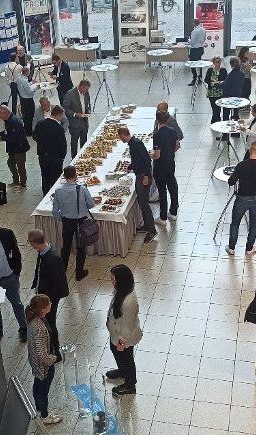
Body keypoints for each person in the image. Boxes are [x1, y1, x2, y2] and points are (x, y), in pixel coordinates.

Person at [28, 229, 69, 362]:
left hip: (49, 299)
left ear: (34, 242)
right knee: (47, 323)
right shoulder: (44, 251)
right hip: (43, 295)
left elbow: (59, 283)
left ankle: (55, 352)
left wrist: (46, 303)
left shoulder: (53, 258)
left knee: (50, 324)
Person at [226, 142, 256, 256]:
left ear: (249, 151)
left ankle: (231, 248)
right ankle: (249, 248)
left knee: (235, 223)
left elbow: (231, 181)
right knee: (253, 224)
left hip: (242, 198)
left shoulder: (241, 165)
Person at [25, 294, 63, 425]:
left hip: (35, 362)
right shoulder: (40, 328)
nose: (51, 304)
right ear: (42, 309)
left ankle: (39, 408)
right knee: (43, 390)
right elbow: (42, 355)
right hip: (43, 366)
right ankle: (45, 415)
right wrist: (53, 358)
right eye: (49, 304)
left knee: (37, 385)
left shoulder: (32, 319)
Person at [105, 264, 142, 396]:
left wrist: (122, 343)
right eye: (111, 279)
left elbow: (127, 325)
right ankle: (122, 371)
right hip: (116, 333)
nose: (112, 282)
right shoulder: (121, 290)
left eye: (114, 280)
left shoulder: (129, 301)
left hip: (124, 337)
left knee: (126, 358)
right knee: (115, 351)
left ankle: (130, 383)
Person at [52, 166, 94, 281]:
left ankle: (62, 272)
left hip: (67, 221)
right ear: (76, 175)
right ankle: (79, 273)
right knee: (81, 247)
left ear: (64, 176)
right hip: (80, 222)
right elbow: (91, 205)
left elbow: (55, 211)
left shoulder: (58, 191)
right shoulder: (82, 189)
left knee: (65, 247)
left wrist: (63, 218)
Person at [118, 127, 157, 243]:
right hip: (140, 174)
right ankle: (147, 225)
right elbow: (138, 160)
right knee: (141, 201)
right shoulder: (133, 143)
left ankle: (152, 231)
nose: (120, 139)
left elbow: (146, 160)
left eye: (120, 137)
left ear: (123, 135)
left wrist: (145, 176)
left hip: (143, 176)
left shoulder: (135, 144)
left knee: (144, 203)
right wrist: (131, 166)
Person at [0, 105, 31, 191]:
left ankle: (23, 184)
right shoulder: (7, 120)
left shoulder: (14, 122)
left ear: (6, 113)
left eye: (0, 115)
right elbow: (6, 132)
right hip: (12, 148)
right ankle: (16, 181)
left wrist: (1, 138)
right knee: (11, 163)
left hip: (19, 148)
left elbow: (14, 137)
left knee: (20, 166)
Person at [33, 105, 68, 195]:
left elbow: (34, 136)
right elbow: (63, 145)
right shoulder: (59, 128)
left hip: (42, 156)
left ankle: (45, 195)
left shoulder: (40, 123)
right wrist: (62, 157)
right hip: (55, 157)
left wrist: (42, 144)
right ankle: (55, 195)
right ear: (58, 115)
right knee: (55, 178)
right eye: (61, 116)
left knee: (45, 176)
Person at [152, 111, 180, 224]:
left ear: (157, 120)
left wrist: (149, 155)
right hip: (170, 163)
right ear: (168, 119)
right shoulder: (173, 131)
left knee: (162, 191)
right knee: (173, 187)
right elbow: (177, 145)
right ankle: (173, 213)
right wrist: (169, 152)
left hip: (160, 167)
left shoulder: (157, 135)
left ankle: (163, 217)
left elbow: (157, 155)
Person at [63, 80, 92, 158]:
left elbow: (88, 104)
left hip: (84, 122)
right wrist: (75, 114)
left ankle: (83, 156)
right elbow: (65, 108)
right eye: (86, 89)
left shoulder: (86, 93)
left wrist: (88, 111)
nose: (87, 91)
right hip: (74, 123)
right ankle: (74, 158)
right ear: (81, 87)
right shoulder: (70, 94)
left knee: (84, 140)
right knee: (74, 141)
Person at [205, 57, 228, 124]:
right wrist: (211, 82)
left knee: (219, 107)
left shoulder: (223, 70)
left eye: (219, 62)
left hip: (220, 92)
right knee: (214, 107)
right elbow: (206, 79)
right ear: (214, 63)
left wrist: (219, 82)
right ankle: (215, 119)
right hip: (212, 92)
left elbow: (226, 80)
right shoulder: (210, 70)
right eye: (217, 62)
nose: (218, 63)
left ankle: (216, 119)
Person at [16, 67, 38, 136]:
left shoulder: (19, 78)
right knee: (30, 115)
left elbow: (25, 87)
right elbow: (30, 91)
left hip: (23, 99)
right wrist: (36, 87)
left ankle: (26, 129)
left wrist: (31, 83)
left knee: (25, 115)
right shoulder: (24, 81)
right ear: (27, 72)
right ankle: (29, 131)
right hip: (28, 100)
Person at [188, 19, 206, 86]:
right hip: (201, 49)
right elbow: (204, 39)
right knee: (199, 64)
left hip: (194, 50)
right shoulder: (203, 30)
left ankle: (194, 78)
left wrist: (189, 40)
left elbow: (192, 42)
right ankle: (200, 79)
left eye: (192, 23)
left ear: (195, 23)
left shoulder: (194, 31)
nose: (192, 24)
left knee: (192, 64)